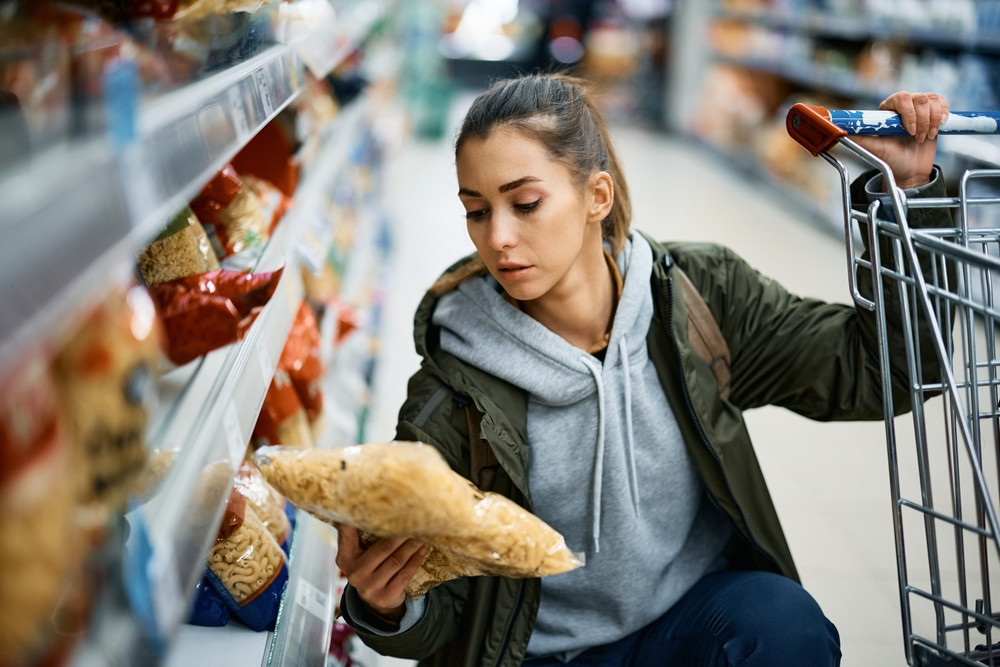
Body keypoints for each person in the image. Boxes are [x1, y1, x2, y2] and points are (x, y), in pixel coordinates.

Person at [335, 73, 952, 666]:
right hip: (538, 653)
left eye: (525, 203)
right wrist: (388, 608)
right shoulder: (454, 386)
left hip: (688, 623)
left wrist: (903, 196)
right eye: (476, 210)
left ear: (595, 196)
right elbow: (444, 615)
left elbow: (885, 369)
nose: (497, 237)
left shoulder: (697, 299)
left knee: (781, 624)